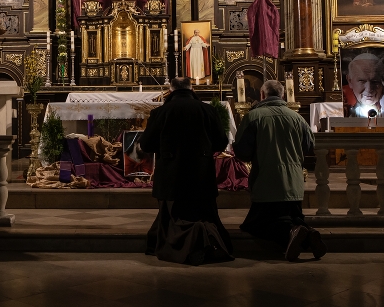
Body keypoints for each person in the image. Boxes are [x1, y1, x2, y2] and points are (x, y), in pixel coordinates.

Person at [140, 76, 232, 265]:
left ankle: (184, 245)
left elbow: (146, 144)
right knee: (203, 212)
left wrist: (165, 149)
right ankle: (205, 241)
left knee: (173, 215)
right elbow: (221, 142)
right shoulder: (208, 110)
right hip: (201, 173)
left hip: (171, 174)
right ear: (192, 89)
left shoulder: (161, 112)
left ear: (171, 90)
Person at [233, 80, 326, 261]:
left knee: (256, 224)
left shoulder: (254, 116)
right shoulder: (297, 118)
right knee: (293, 218)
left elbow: (242, 150)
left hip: (266, 180)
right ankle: (307, 235)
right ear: (282, 95)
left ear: (262, 94)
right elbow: (309, 146)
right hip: (294, 182)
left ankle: (294, 234)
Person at [345, 53, 384, 117]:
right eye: (362, 81)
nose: (369, 89)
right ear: (350, 81)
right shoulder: (346, 110)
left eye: (375, 81)